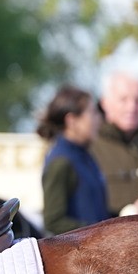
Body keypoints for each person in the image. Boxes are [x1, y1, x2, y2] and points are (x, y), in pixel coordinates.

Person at [38, 86, 108, 235]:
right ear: (72, 121)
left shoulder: (85, 155)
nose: (99, 119)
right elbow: (53, 221)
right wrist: (99, 233)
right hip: (81, 248)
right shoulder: (60, 162)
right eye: (92, 113)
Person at [90, 71, 138, 217]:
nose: (132, 107)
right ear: (105, 103)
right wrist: (130, 212)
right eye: (123, 100)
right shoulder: (90, 145)